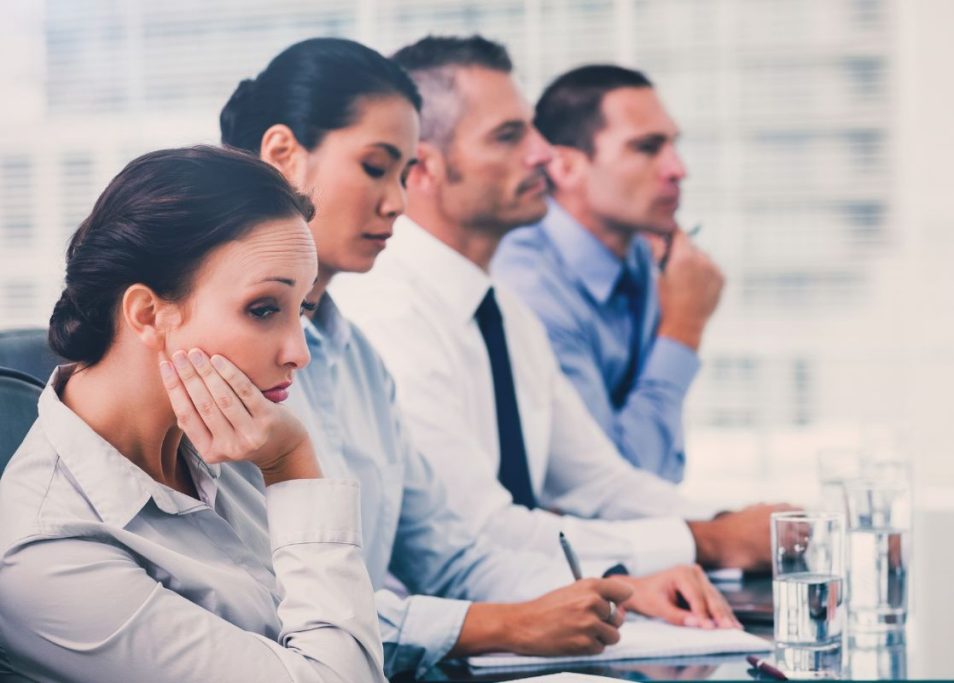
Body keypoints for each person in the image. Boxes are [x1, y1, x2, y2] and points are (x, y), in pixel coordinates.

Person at [221, 37, 738, 678]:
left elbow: (451, 552)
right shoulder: (223, 358)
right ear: (283, 156)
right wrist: (506, 624)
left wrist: (618, 583)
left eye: (402, 173)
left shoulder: (358, 359)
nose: (397, 203)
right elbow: (265, 606)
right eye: (377, 168)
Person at [332, 35, 786, 581]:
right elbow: (478, 532)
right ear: (423, 167)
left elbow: (599, 481)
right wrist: (707, 541)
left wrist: (752, 526)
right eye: (508, 136)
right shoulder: (387, 312)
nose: (544, 154)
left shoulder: (501, 309)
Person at [0, 146, 386, 682]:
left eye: (303, 310)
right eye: (264, 309)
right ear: (148, 313)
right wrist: (292, 465)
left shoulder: (232, 441)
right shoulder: (45, 552)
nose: (299, 352)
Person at [492, 64, 724, 483]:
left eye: (673, 145)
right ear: (564, 168)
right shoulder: (530, 290)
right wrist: (683, 328)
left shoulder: (642, 256)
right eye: (647, 148)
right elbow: (616, 484)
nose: (678, 169)